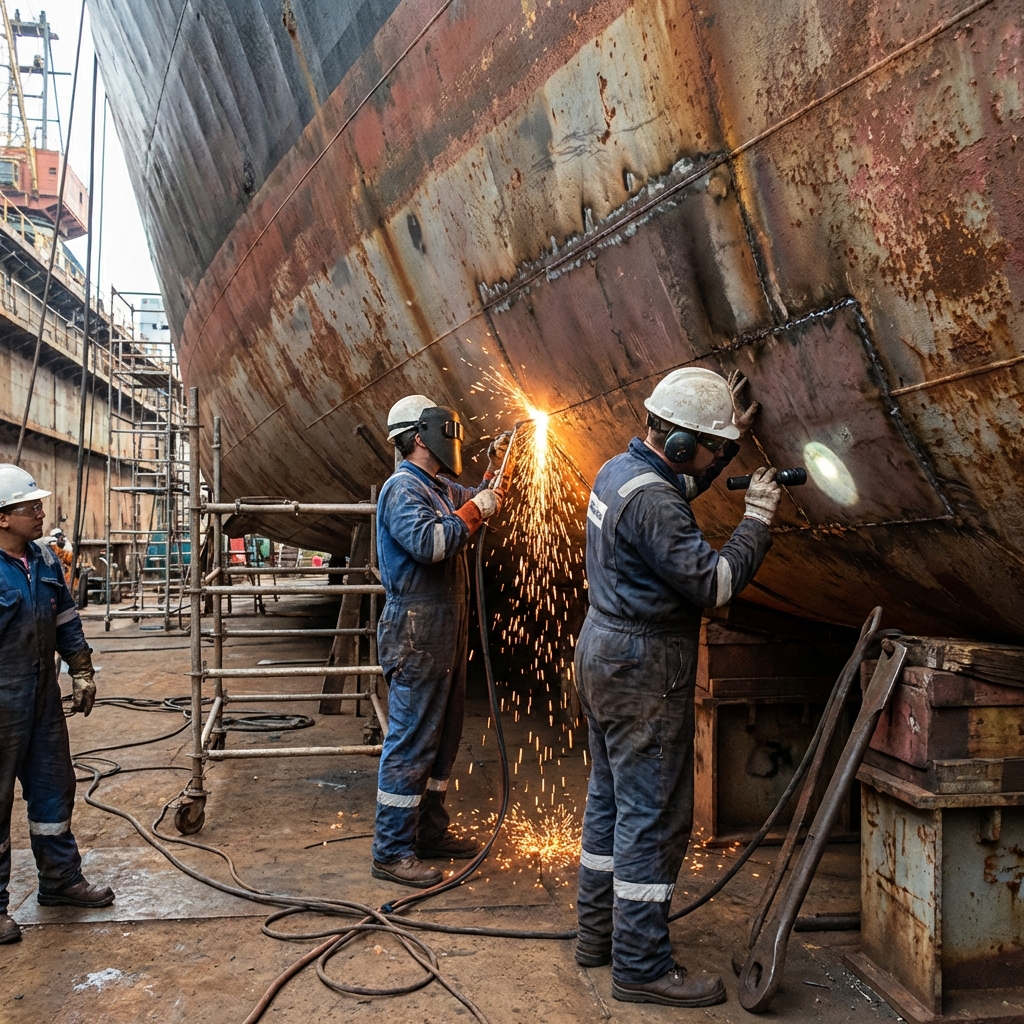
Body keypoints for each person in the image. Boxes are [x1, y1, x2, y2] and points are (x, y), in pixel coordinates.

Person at [573, 368, 781, 1006]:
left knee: (610, 800)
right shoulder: (657, 503)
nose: (714, 461)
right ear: (685, 444)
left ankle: (597, 935)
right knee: (653, 817)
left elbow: (678, 485)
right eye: (712, 448)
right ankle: (640, 965)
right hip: (643, 669)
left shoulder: (620, 470)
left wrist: (731, 441)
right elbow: (715, 584)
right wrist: (758, 520)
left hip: (601, 650)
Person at [371, 396, 510, 888]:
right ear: (420, 436)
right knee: (411, 740)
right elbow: (432, 544)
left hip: (444, 628)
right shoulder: (401, 490)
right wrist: (475, 509)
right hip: (415, 629)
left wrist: (498, 468)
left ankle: (427, 830)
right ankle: (391, 850)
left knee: (443, 739)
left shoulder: (436, 486)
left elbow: (476, 501)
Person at [0, 465, 114, 945]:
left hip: (42, 696)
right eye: (31, 507)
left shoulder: (44, 559)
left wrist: (81, 669)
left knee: (53, 788)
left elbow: (66, 617)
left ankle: (61, 881)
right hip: (1, 701)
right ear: (3, 517)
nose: (40, 511)